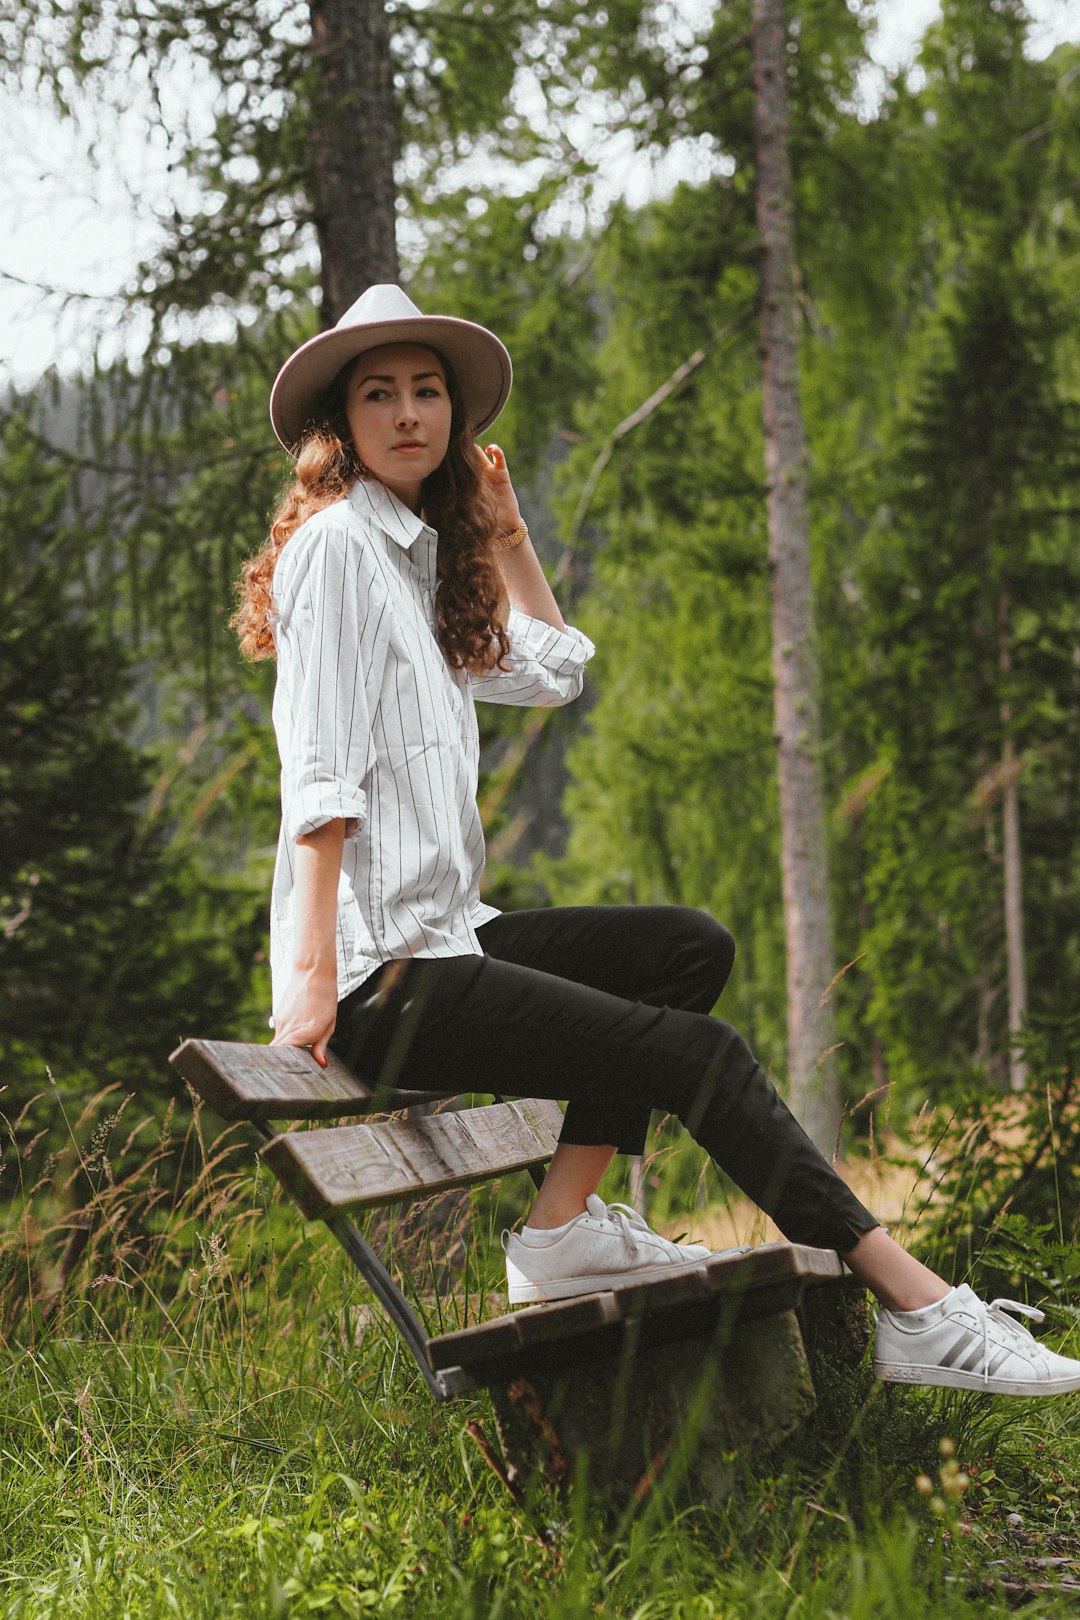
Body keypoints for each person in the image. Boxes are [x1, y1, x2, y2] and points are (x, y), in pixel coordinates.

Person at [233, 283, 1080, 1398]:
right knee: (701, 1057)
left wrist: (508, 531)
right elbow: (321, 772)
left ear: (454, 420)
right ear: (340, 426)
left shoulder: (413, 562)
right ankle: (916, 1304)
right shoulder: (340, 551)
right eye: (378, 393)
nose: (407, 414)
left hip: (449, 945)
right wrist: (307, 983)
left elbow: (553, 669)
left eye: (427, 392)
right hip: (387, 981)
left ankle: (557, 1236)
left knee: (684, 948)